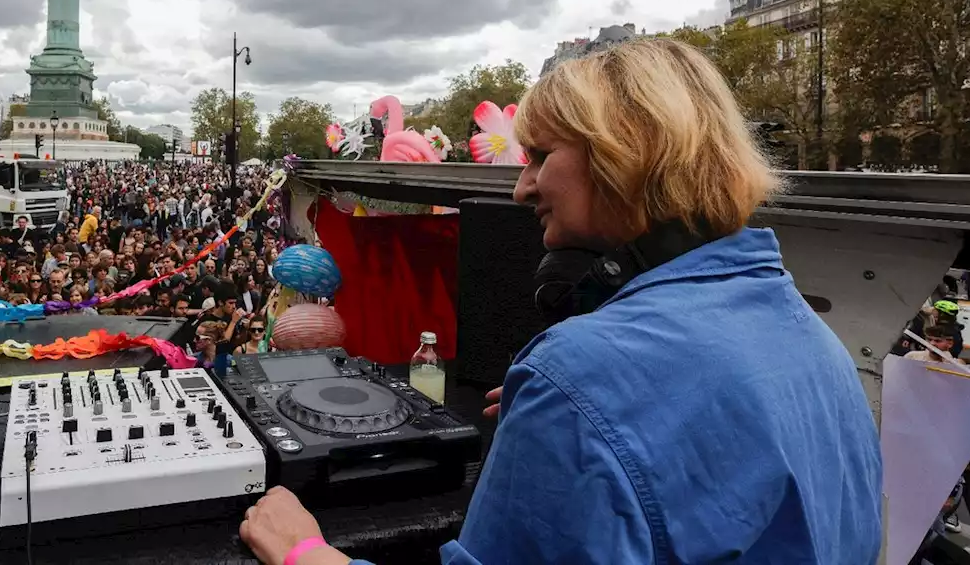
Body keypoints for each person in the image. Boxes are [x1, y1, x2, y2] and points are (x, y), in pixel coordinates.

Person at [240, 37, 882, 564]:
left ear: (626, 155)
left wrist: (303, 554)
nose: (522, 189)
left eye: (541, 156)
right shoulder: (814, 339)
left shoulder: (581, 374)